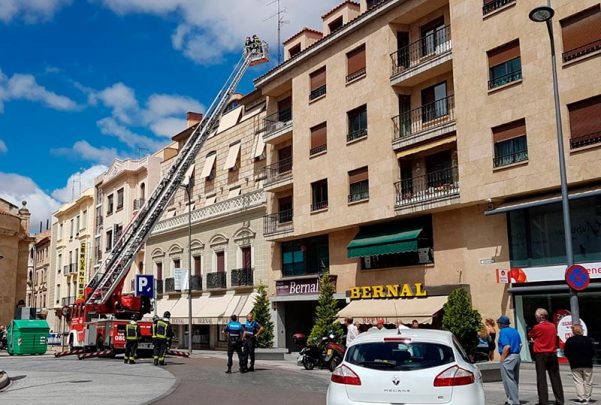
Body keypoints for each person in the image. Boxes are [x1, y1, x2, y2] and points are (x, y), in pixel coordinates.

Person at [528, 308, 565, 405]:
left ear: (540, 316)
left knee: (541, 378)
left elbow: (530, 335)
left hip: (541, 353)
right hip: (552, 353)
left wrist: (534, 340)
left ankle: (543, 401)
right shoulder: (552, 326)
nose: (536, 318)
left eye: (536, 316)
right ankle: (560, 400)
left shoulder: (537, 327)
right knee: (555, 377)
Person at [564, 324, 595, 404]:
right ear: (581, 330)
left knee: (578, 381)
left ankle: (581, 398)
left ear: (573, 331)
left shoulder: (570, 340)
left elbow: (566, 353)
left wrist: (571, 359)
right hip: (587, 363)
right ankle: (587, 397)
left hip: (575, 364)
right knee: (588, 381)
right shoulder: (588, 340)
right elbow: (593, 352)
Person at [497, 315, 522, 405]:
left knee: (508, 381)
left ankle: (513, 402)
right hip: (516, 356)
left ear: (501, 324)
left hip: (508, 357)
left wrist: (502, 359)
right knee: (514, 380)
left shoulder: (503, 332)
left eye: (498, 323)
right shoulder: (514, 331)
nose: (497, 325)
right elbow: (520, 345)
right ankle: (512, 399)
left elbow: (507, 346)